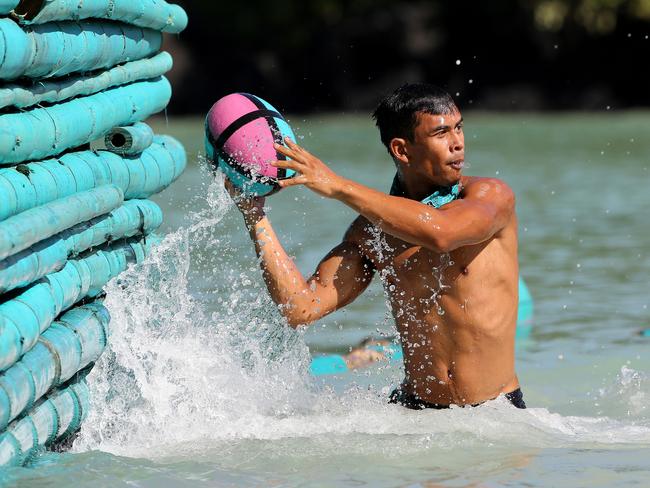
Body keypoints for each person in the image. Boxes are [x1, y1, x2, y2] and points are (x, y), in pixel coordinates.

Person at [224, 83, 525, 410]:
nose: (458, 144)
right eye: (441, 134)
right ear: (402, 149)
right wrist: (254, 216)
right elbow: (300, 308)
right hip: (416, 412)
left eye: (459, 128)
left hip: (497, 410)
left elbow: (442, 234)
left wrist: (337, 186)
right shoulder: (373, 233)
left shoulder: (491, 197)